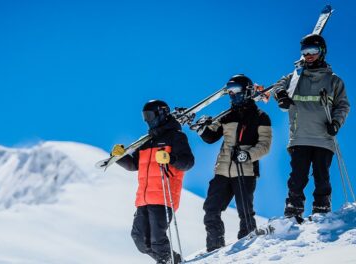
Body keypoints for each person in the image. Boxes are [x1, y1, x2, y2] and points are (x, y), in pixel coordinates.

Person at [273, 34, 350, 218]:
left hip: (324, 138)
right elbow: (277, 86)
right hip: (300, 136)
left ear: (322, 52)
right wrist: (282, 95)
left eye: (313, 51)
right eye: (305, 52)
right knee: (297, 177)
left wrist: (336, 123)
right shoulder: (295, 77)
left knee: (321, 176)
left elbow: (343, 105)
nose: (308, 55)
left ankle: (321, 211)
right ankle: (293, 211)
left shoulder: (333, 80)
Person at [110, 100, 194, 264]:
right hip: (144, 199)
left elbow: (188, 162)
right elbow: (134, 164)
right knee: (140, 240)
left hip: (164, 195)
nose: (148, 120)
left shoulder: (176, 137)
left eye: (150, 115)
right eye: (144, 117)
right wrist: (119, 157)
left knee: (157, 240)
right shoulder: (146, 142)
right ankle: (173, 260)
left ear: (162, 113)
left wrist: (170, 158)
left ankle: (166, 261)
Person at [195, 74, 272, 252]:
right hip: (222, 170)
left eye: (236, 90)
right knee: (211, 209)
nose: (232, 95)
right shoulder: (226, 116)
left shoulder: (260, 116)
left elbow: (265, 145)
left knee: (245, 211)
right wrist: (202, 129)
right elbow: (211, 137)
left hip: (245, 171)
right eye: (229, 92)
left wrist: (247, 155)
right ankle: (214, 248)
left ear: (246, 91)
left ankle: (245, 249)